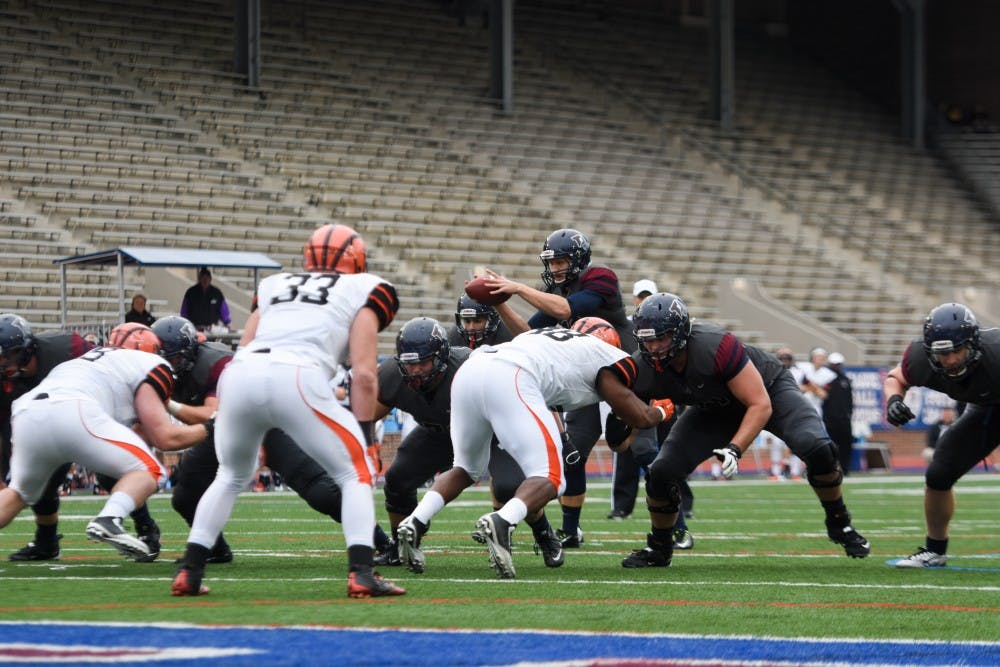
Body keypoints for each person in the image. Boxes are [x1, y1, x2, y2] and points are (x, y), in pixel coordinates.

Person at [172, 224, 405, 599]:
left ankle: (190, 570)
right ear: (358, 259)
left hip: (241, 375)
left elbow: (245, 345)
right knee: (357, 470)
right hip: (297, 374)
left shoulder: (274, 284)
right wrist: (366, 436)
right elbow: (363, 373)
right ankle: (362, 572)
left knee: (231, 474)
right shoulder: (366, 287)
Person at [395, 322, 672, 579]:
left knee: (465, 468)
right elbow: (640, 420)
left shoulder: (550, 340)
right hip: (511, 375)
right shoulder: (611, 358)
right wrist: (662, 410)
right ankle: (503, 520)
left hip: (471, 370)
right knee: (551, 477)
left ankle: (416, 520)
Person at [619, 293, 870, 569]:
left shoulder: (714, 345)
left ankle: (839, 522)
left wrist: (734, 448)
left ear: (680, 334)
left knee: (817, 447)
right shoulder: (640, 366)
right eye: (647, 340)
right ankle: (659, 547)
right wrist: (621, 431)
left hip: (769, 391)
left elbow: (760, 404)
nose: (653, 348)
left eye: (661, 338)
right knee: (661, 472)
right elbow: (622, 407)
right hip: (713, 408)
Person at [153, 315, 395, 565]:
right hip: (224, 430)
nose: (169, 365)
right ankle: (214, 549)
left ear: (190, 352)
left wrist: (168, 404)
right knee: (184, 494)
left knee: (321, 491)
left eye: (174, 358)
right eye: (163, 359)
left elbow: (211, 413)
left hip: (261, 421)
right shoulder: (163, 370)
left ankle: (382, 543)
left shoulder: (214, 362)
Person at [0, 323, 210, 560]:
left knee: (18, 493)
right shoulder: (152, 364)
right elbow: (165, 437)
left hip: (26, 413)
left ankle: (117, 522)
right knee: (150, 470)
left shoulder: (89, 359)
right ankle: (110, 518)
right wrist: (210, 429)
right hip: (72, 410)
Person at [480, 228, 634, 548]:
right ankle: (570, 531)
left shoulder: (600, 277)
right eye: (551, 263)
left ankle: (675, 527)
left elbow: (566, 311)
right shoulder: (554, 294)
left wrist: (519, 288)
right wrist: (499, 304)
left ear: (578, 261)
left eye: (560, 261)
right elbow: (527, 335)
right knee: (571, 454)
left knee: (642, 449)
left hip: (625, 374)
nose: (554, 269)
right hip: (585, 379)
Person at [373, 317, 563, 571]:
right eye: (410, 364)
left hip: (491, 429)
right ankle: (402, 544)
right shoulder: (390, 376)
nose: (416, 370)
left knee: (509, 487)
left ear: (441, 357)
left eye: (423, 362)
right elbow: (365, 416)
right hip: (438, 433)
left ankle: (543, 533)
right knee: (397, 478)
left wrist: (562, 433)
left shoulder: (469, 366)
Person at [883, 303, 1000, 568]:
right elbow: (895, 378)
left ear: (973, 344)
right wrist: (893, 401)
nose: (949, 360)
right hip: (986, 410)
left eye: (956, 351)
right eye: (941, 353)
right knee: (939, 474)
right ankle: (935, 550)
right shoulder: (921, 360)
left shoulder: (996, 353)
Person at [1, 314, 101, 561]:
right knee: (37, 482)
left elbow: (104, 369)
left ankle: (145, 528)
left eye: (9, 355)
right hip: (35, 430)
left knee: (115, 470)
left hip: (83, 416)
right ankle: (46, 542)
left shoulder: (67, 348)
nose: (4, 362)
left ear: (27, 348)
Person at [822, 352, 854, 475]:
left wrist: (849, 413)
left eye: (838, 364)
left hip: (844, 418)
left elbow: (849, 399)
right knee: (830, 445)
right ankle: (831, 467)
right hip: (829, 418)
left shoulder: (845, 380)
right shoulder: (825, 379)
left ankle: (845, 468)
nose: (836, 367)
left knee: (846, 443)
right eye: (834, 364)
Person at [446, 293, 513, 349]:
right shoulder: (454, 336)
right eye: (467, 321)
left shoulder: (507, 338)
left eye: (477, 321)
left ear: (491, 320)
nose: (471, 327)